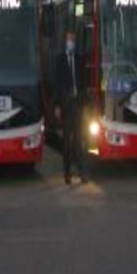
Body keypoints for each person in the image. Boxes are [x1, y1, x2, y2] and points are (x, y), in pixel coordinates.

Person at [55, 30, 86, 184]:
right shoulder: (60, 60)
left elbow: (84, 83)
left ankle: (81, 173)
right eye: (69, 39)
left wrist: (84, 102)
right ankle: (67, 173)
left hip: (77, 104)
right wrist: (57, 106)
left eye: (73, 39)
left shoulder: (80, 59)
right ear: (65, 41)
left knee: (79, 139)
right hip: (66, 106)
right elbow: (57, 84)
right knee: (67, 141)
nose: (71, 42)